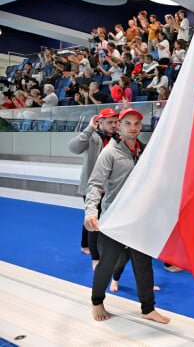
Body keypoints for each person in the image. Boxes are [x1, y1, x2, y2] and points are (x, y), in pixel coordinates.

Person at [84, 108, 170, 323]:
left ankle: (148, 308)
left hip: (140, 218)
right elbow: (95, 184)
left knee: (143, 263)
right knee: (108, 264)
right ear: (119, 127)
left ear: (141, 126)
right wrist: (91, 212)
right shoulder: (110, 152)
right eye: (128, 123)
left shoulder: (146, 151)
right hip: (115, 218)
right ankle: (96, 301)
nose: (133, 128)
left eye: (137, 124)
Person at [69, 108, 119, 269]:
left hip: (110, 188)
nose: (113, 125)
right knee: (93, 218)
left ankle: (87, 244)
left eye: (115, 122)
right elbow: (73, 148)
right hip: (93, 187)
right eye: (109, 122)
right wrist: (90, 127)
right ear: (100, 122)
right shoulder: (92, 137)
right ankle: (91, 250)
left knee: (96, 217)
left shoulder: (118, 139)